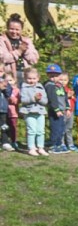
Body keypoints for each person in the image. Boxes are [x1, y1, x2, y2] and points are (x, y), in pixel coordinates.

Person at [2, 16, 37, 149]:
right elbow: (3, 58)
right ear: (7, 28)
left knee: (28, 107)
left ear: (21, 30)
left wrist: (25, 50)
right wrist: (19, 51)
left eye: (17, 29)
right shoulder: (2, 40)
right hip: (9, 78)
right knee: (10, 108)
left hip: (26, 77)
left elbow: (34, 59)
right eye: (12, 29)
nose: (14, 32)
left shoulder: (26, 41)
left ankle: (30, 139)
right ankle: (8, 138)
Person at [18, 66, 47, 156]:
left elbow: (45, 101)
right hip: (29, 112)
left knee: (41, 131)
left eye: (34, 78)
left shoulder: (40, 87)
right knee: (32, 130)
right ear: (25, 78)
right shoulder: (24, 88)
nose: (32, 80)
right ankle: (31, 148)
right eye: (29, 78)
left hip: (40, 112)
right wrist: (34, 99)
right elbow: (23, 100)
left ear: (38, 78)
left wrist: (40, 99)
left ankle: (40, 147)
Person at [44, 63, 69, 153]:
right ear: (48, 75)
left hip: (62, 111)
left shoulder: (60, 86)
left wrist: (67, 108)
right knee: (55, 128)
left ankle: (59, 144)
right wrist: (57, 110)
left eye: (56, 76)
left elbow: (65, 97)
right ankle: (53, 145)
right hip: (54, 111)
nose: (54, 78)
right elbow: (52, 99)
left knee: (61, 128)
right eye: (51, 76)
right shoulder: (49, 85)